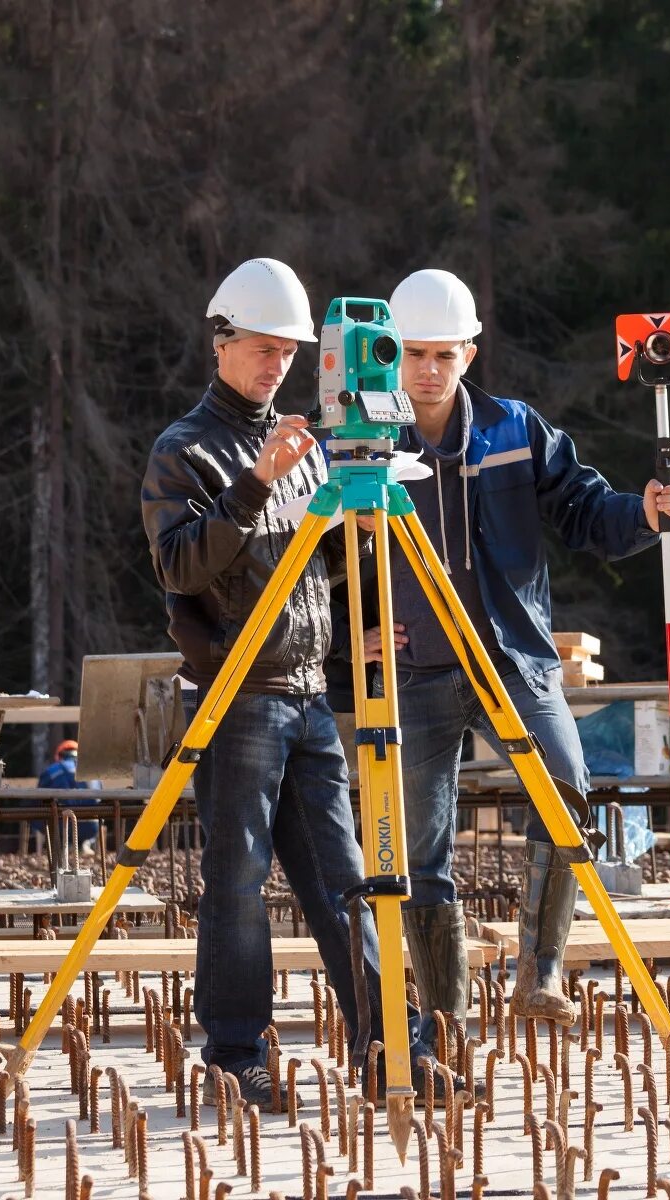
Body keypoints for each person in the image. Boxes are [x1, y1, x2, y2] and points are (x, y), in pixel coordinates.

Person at [359, 268, 670, 1032]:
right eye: (413, 355)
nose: (428, 370)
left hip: (514, 662)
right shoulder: (367, 447)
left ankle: (539, 973)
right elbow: (321, 551)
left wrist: (643, 511)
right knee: (417, 844)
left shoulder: (516, 430)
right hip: (418, 669)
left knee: (568, 789)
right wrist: (357, 633)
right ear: (389, 357)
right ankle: (445, 1008)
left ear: (469, 355)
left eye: (444, 354)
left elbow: (584, 510)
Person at [141, 256, 434, 1106]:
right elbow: (182, 566)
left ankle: (392, 1051)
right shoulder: (183, 450)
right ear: (221, 343)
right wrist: (256, 481)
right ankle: (237, 1058)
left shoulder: (308, 449)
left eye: (289, 352)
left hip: (308, 693)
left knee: (347, 880)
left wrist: (360, 611)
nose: (276, 365)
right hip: (238, 696)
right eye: (263, 349)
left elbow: (317, 575)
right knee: (236, 883)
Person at [36, 738, 100, 852]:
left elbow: (37, 798)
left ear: (58, 756)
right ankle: (84, 845)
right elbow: (100, 797)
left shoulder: (51, 771)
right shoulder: (92, 772)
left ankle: (60, 847)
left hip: (60, 826)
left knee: (36, 808)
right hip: (92, 826)